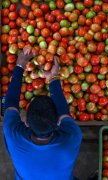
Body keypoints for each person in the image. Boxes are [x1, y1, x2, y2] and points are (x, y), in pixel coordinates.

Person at [3, 47, 82, 180]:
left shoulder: (13, 135)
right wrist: (52, 78)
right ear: (58, 122)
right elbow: (65, 113)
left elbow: (10, 103)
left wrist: (19, 65)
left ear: (26, 122)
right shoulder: (72, 137)